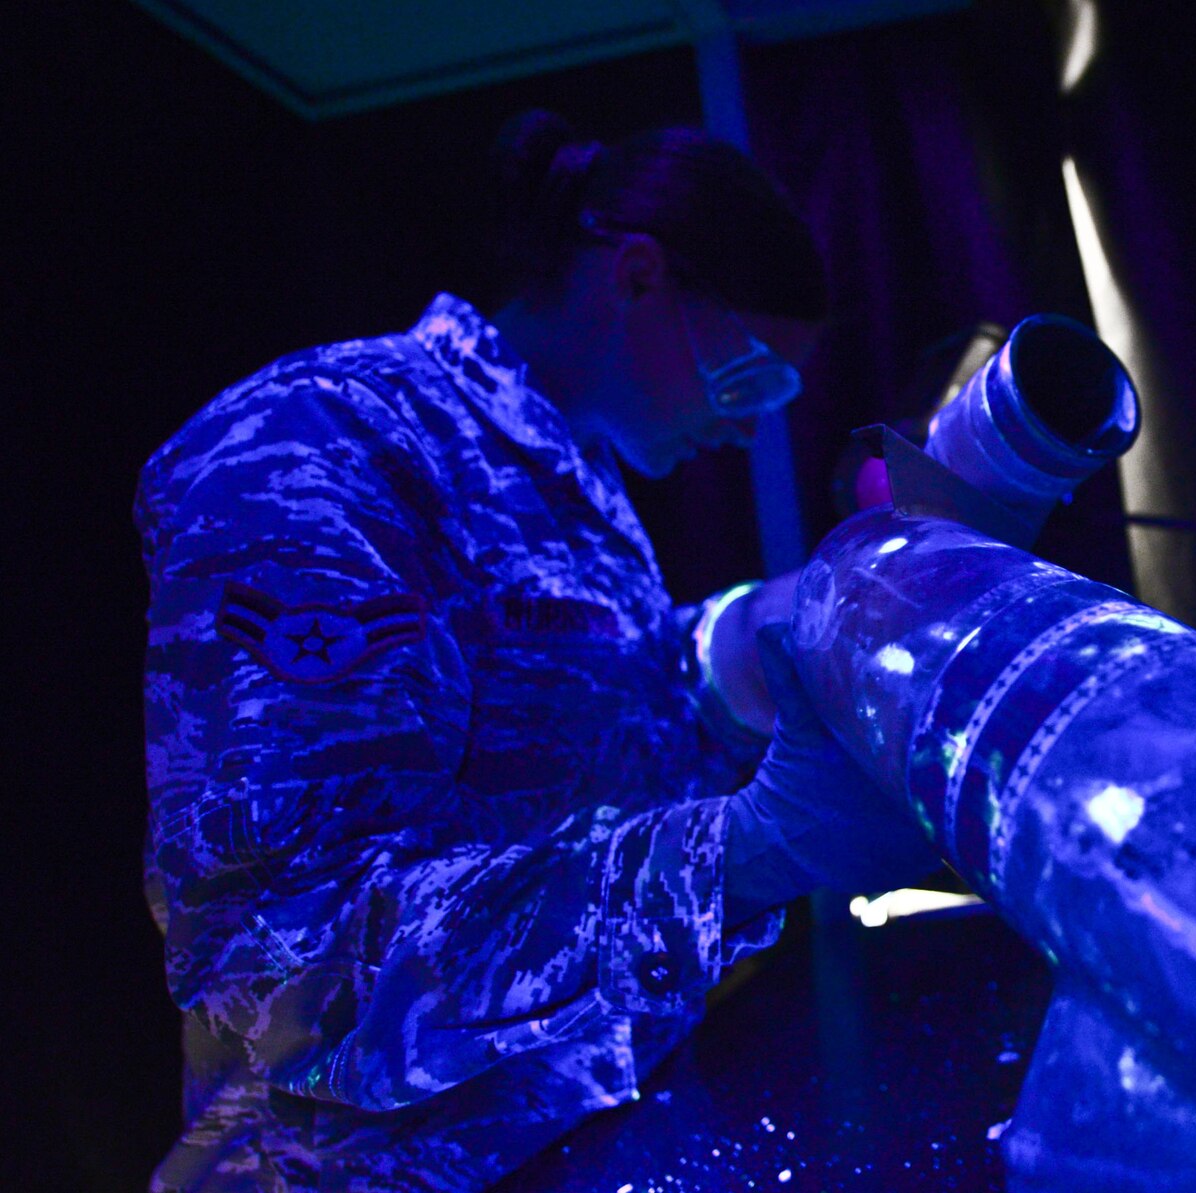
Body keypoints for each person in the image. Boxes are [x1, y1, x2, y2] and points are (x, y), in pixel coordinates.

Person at [135, 110, 934, 1192]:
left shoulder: (578, 485)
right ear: (639, 277)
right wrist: (745, 851)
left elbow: (595, 735)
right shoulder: (323, 443)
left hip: (583, 1136)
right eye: (747, 378)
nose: (749, 428)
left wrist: (747, 639)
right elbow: (289, 970)